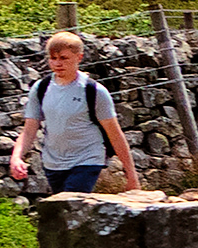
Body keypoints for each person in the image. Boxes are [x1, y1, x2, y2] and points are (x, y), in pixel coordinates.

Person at [8, 30, 139, 196]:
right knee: (66, 215)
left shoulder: (94, 91)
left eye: (64, 58)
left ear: (79, 57)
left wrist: (131, 176)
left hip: (87, 159)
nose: (57, 63)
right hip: (53, 163)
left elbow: (115, 134)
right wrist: (16, 157)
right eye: (53, 58)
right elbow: (29, 130)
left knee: (71, 205)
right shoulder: (41, 88)